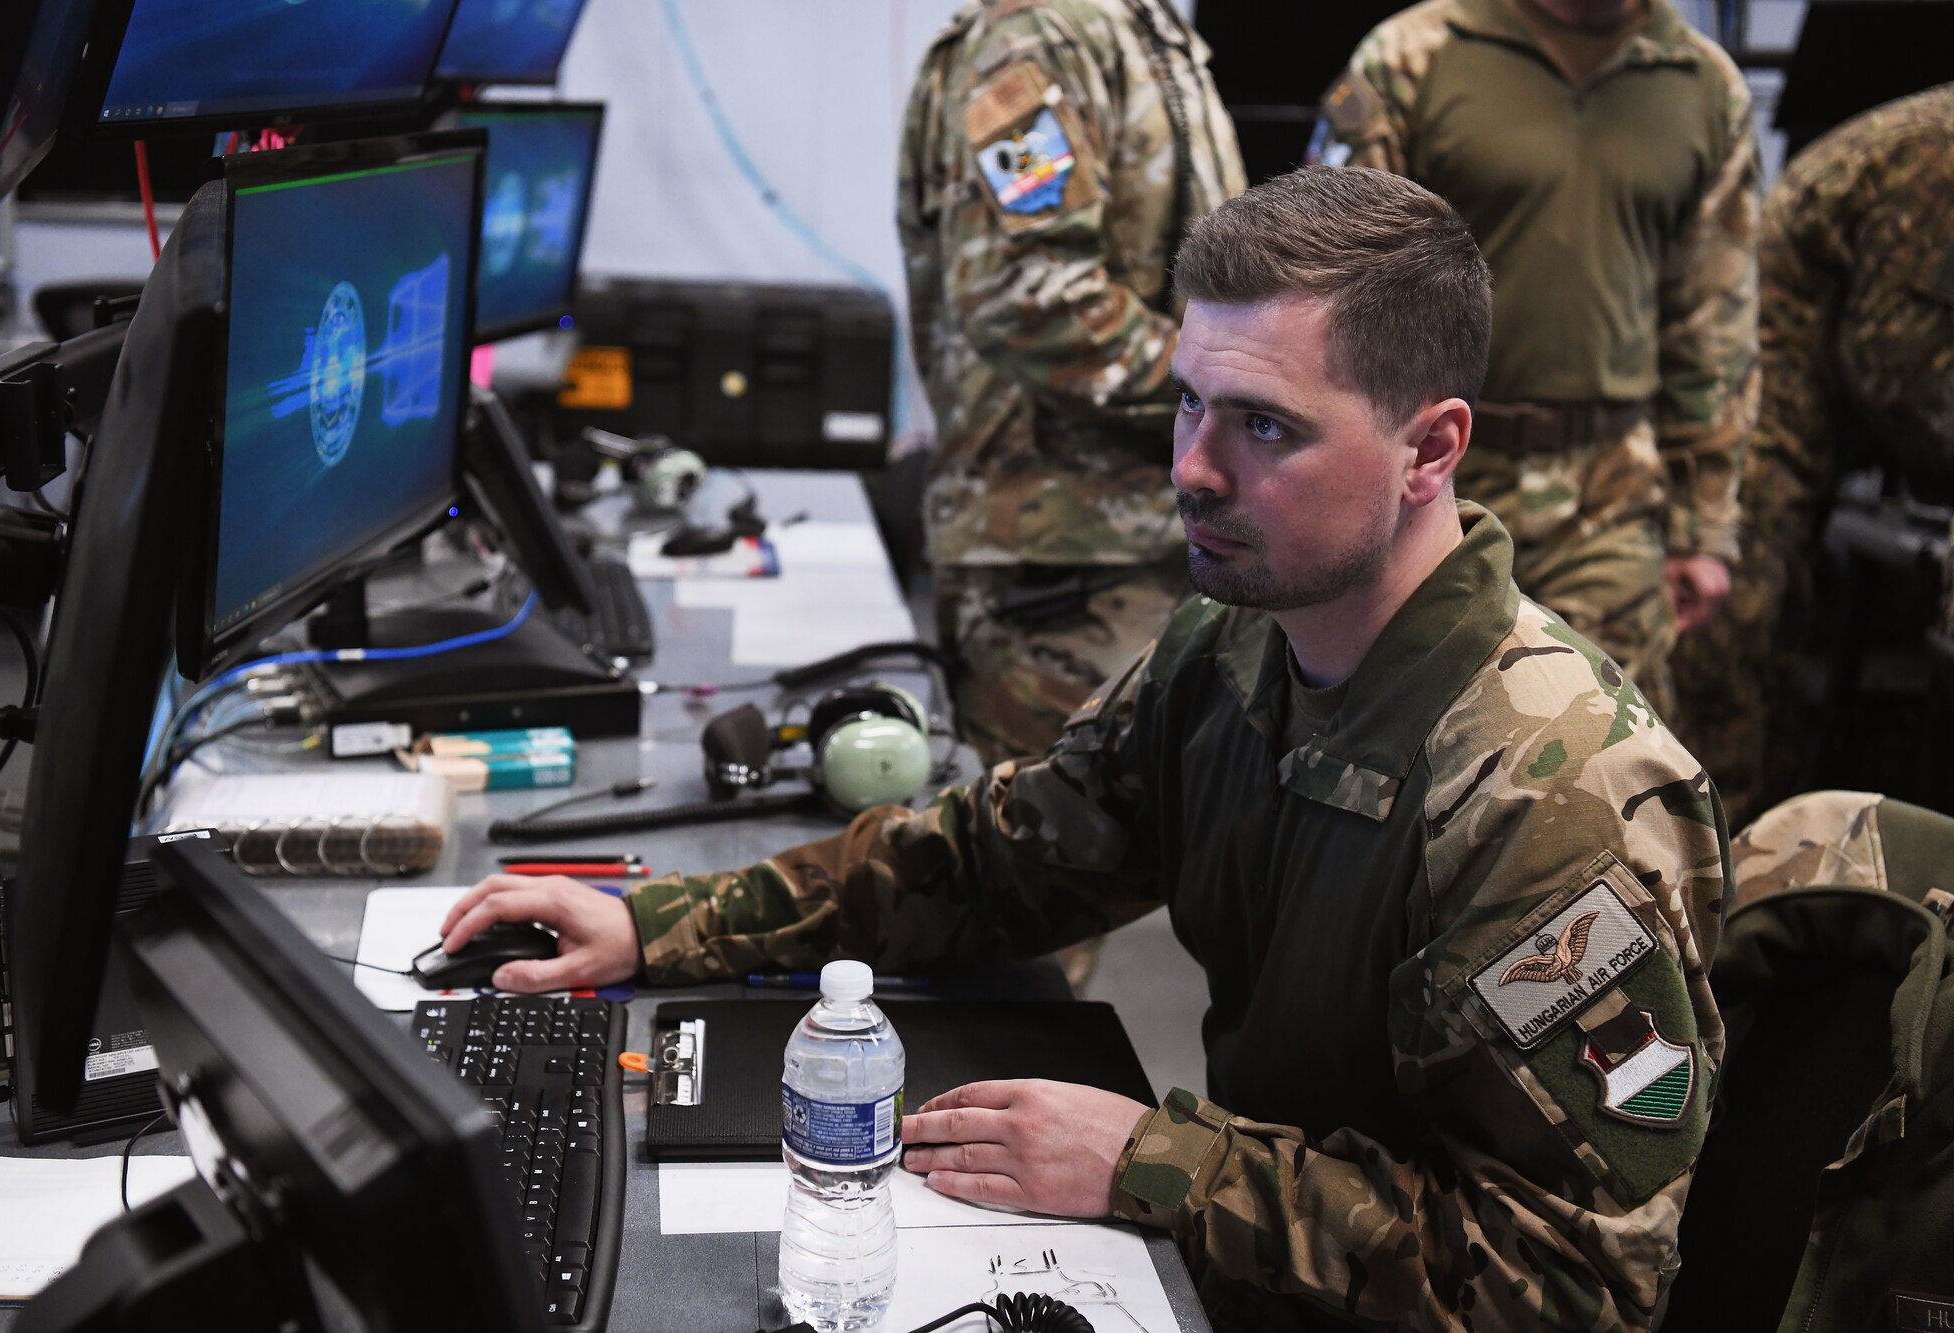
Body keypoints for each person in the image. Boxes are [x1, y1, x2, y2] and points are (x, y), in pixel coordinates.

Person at [442, 168, 1730, 1331]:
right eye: (1186, 404)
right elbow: (996, 858)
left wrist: (1159, 1164)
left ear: (1428, 449)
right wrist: (659, 922)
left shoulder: (1550, 798)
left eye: (1263, 427)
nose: (1193, 470)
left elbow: (1568, 1284)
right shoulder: (1231, 645)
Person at [1309, 0, 1760, 719]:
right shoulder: (1415, 55)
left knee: (1606, 749)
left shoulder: (1702, 82)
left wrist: (1707, 528)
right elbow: (1330, 287)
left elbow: (1713, 324)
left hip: (1610, 486)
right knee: (1406, 729)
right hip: (1432, 474)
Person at [898, 0, 1246, 768]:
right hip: (1062, 566)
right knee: (1056, 863)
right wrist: (1237, 390)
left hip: (1137, 544)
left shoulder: (1142, 26)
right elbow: (1028, 300)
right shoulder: (1039, 37)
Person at [1670, 84, 1954, 829]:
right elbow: (1890, 356)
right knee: (1735, 650)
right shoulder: (1939, 160)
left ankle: (1776, 856)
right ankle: (1713, 873)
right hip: (1759, 402)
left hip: (1805, 408)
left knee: (1777, 651)